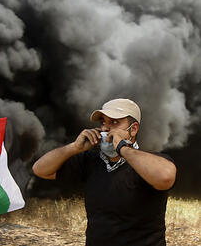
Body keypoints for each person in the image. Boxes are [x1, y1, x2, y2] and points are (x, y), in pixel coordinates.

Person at [32, 98, 177, 246]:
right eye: (103, 122)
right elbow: (40, 170)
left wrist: (123, 148)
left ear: (133, 129)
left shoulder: (151, 162)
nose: (105, 129)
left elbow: (165, 177)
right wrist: (74, 148)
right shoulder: (89, 161)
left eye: (114, 122)